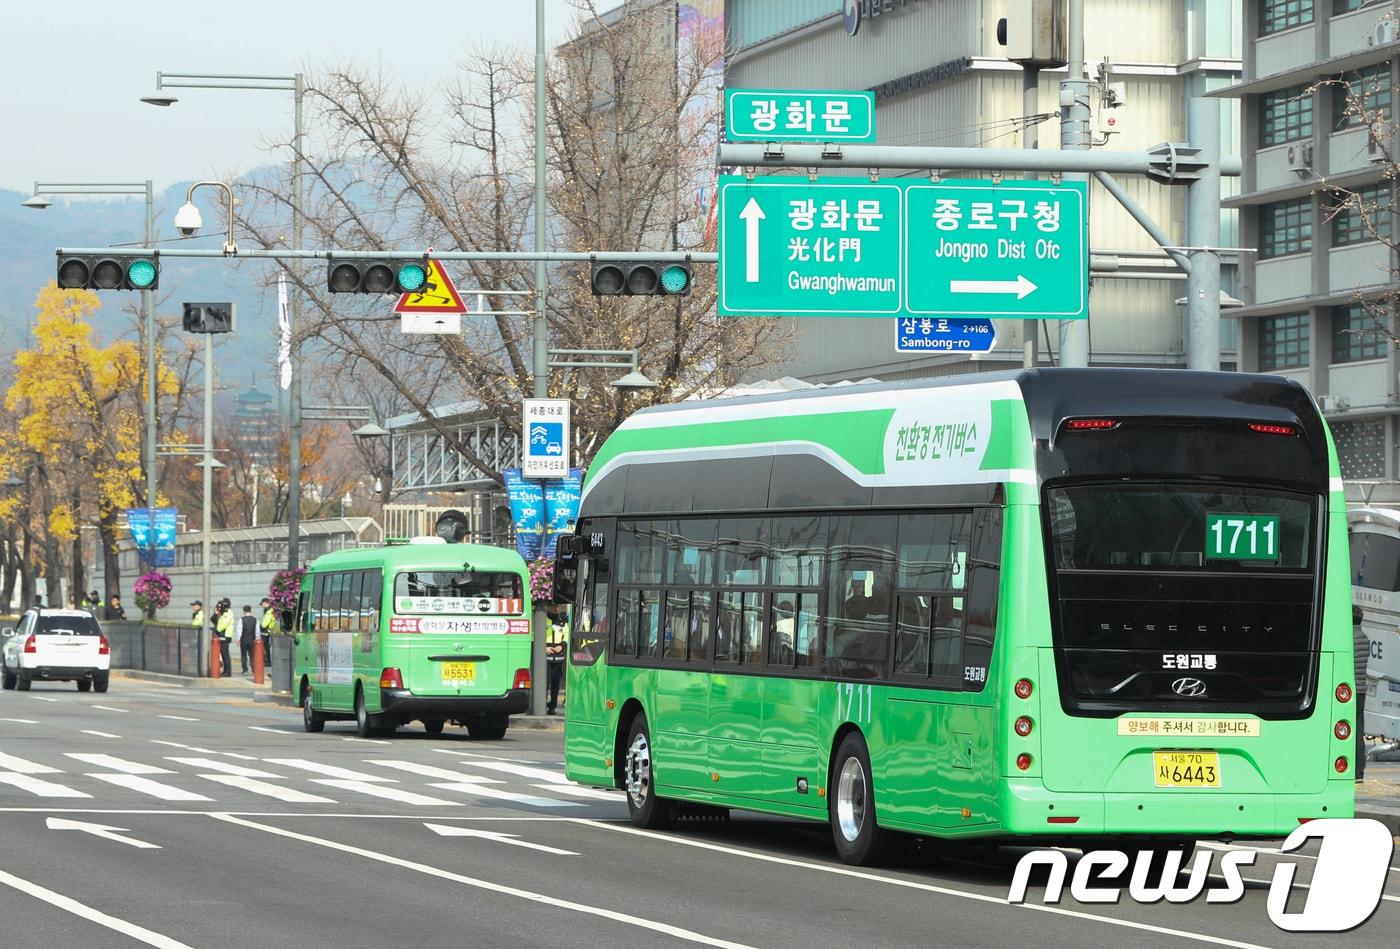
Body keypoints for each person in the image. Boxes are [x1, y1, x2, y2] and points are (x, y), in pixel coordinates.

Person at [1354, 605, 1369, 782]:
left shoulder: (1349, 638)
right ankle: (1359, 771)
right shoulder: (1363, 637)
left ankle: (1356, 770)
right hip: (1362, 690)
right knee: (1359, 729)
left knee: (1352, 732)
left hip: (1353, 690)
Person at [545, 607, 568, 715]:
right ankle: (542, 705)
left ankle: (552, 707)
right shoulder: (543, 619)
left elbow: (566, 635)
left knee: (556, 685)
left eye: (558, 606)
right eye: (553, 606)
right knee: (544, 684)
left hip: (558, 657)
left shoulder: (563, 621)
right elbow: (535, 633)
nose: (556, 608)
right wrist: (544, 648)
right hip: (545, 657)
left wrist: (562, 646)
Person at [215, 600, 234, 678]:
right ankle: (226, 670)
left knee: (225, 654)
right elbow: (213, 620)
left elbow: (222, 625)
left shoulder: (227, 613)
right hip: (223, 635)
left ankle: (227, 671)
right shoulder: (224, 613)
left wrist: (217, 630)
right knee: (223, 654)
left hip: (225, 635)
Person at [238, 605, 258, 675]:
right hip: (252, 639)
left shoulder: (241, 619)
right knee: (252, 655)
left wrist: (238, 639)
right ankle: (253, 669)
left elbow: (239, 630)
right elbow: (257, 631)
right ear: (250, 610)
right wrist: (257, 638)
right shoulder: (255, 619)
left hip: (244, 639)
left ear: (244, 611)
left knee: (243, 655)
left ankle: (245, 669)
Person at [259, 597, 277, 672]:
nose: (262, 606)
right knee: (266, 647)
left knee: (266, 647)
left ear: (266, 603)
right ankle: (267, 661)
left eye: (262, 604)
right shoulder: (268, 611)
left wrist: (261, 626)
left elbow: (265, 623)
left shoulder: (269, 611)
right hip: (267, 631)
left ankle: (268, 661)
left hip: (266, 631)